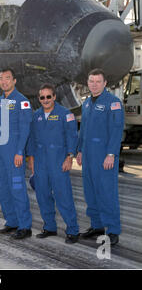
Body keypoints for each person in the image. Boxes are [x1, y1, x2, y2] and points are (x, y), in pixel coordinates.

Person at [76, 68, 124, 246]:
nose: (94, 85)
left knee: (107, 193)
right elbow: (83, 130)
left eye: (98, 81)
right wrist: (79, 150)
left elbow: (116, 130)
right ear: (87, 83)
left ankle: (112, 230)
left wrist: (111, 154)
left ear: (105, 84)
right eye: (91, 81)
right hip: (88, 156)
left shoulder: (113, 103)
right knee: (90, 193)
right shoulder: (87, 103)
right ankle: (96, 226)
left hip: (104, 156)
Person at [27, 84, 79, 244]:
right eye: (42, 97)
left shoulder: (65, 114)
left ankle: (72, 230)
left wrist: (70, 157)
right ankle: (49, 226)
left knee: (64, 196)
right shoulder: (36, 116)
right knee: (43, 196)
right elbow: (32, 140)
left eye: (48, 96)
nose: (45, 100)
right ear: (39, 99)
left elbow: (72, 136)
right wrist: (31, 160)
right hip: (41, 162)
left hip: (58, 161)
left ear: (54, 97)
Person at [0, 68, 33, 239]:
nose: (4, 82)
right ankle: (11, 221)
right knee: (4, 188)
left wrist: (19, 152)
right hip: (1, 151)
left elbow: (25, 129)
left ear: (14, 81)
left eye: (7, 78)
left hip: (14, 151)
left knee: (17, 187)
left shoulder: (22, 101)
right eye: (1, 78)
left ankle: (25, 226)